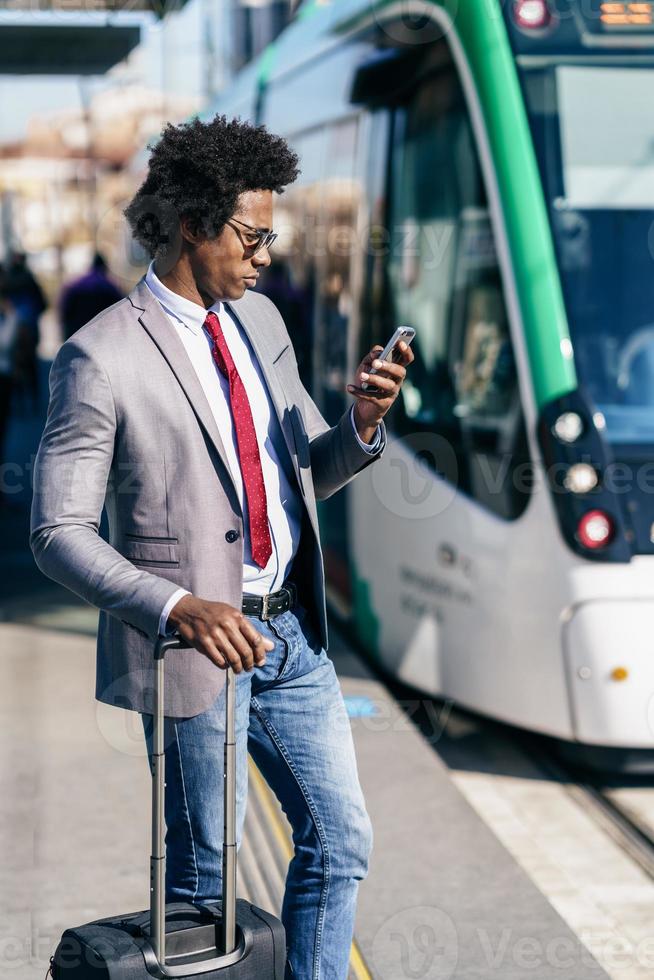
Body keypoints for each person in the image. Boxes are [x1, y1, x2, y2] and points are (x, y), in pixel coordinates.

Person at [30, 114, 413, 980]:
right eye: (253, 234)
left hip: (294, 643)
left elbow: (305, 469)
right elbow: (55, 531)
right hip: (196, 652)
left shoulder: (263, 323)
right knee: (205, 885)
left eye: (270, 236)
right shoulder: (100, 357)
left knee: (340, 838)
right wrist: (179, 607)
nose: (266, 255)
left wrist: (361, 423)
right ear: (194, 225)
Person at [4, 250, 46, 413]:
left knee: (15, 367)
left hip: (13, 332)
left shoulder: (6, 282)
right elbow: (43, 304)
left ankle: (19, 402)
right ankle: (32, 401)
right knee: (30, 366)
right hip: (28, 329)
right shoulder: (29, 280)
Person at [59, 252, 123, 341]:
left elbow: (66, 310)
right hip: (101, 333)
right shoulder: (110, 286)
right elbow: (121, 311)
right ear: (105, 267)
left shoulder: (77, 284)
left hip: (78, 331)